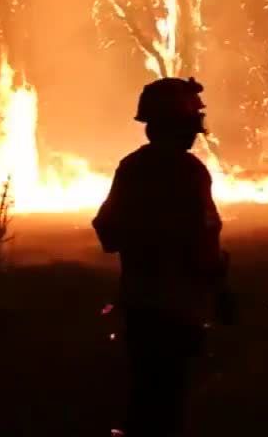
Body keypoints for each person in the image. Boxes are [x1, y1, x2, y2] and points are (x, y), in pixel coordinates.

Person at [93, 76, 232, 437]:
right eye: (191, 125)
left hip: (139, 301)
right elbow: (203, 238)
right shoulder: (190, 172)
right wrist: (219, 287)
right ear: (178, 126)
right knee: (171, 393)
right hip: (179, 304)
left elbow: (107, 231)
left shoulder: (131, 167)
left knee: (144, 388)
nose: (196, 133)